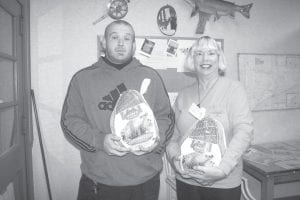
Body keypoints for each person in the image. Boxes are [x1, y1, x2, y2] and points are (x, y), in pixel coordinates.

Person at [60, 20, 174, 200]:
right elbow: (70, 122)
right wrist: (99, 141)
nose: (121, 43)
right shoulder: (82, 78)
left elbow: (166, 117)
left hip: (145, 182)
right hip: (99, 183)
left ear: (134, 44)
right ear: (104, 42)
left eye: (127, 38)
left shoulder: (151, 76)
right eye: (114, 37)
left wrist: (155, 141)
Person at [166, 36, 253, 200]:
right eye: (199, 53)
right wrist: (175, 158)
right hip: (186, 180)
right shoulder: (183, 95)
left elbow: (244, 131)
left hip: (222, 182)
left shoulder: (234, 89)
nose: (205, 58)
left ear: (219, 58)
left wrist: (222, 170)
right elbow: (173, 136)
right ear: (192, 59)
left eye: (211, 53)